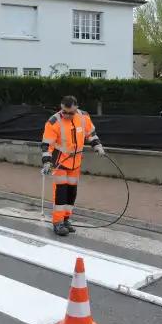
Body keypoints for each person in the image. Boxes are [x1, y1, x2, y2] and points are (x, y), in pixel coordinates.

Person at [41, 96, 106, 236]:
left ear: (76, 109)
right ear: (61, 107)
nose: (67, 115)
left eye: (71, 113)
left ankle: (66, 219)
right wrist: (47, 162)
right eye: (64, 112)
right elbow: (47, 144)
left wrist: (97, 146)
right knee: (61, 193)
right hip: (60, 163)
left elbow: (91, 134)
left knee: (71, 193)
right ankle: (57, 223)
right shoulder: (54, 122)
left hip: (75, 163)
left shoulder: (83, 117)